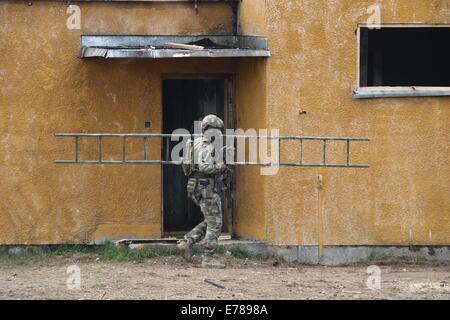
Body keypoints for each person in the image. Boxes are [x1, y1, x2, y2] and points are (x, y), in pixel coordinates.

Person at [177, 115, 229, 269]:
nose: (219, 134)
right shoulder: (207, 145)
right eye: (217, 130)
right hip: (205, 186)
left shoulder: (195, 142)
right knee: (215, 223)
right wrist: (221, 167)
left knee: (211, 219)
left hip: (195, 186)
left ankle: (186, 243)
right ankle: (208, 258)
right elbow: (204, 167)